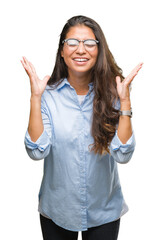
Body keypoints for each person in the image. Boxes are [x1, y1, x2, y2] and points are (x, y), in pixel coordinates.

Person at [21, 15, 143, 240]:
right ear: (62, 50)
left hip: (104, 210)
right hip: (57, 210)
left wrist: (124, 103)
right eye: (72, 43)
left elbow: (123, 154)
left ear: (99, 50)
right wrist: (36, 98)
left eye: (89, 43)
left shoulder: (113, 95)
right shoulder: (47, 96)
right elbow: (37, 151)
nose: (80, 50)